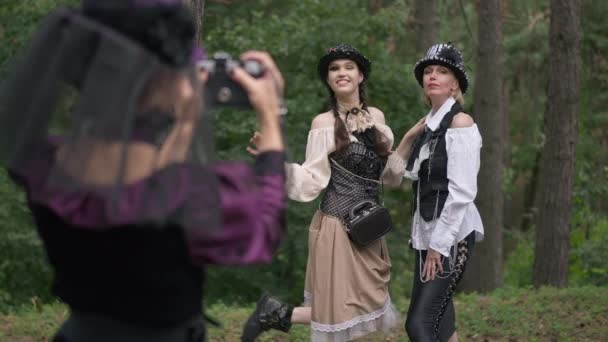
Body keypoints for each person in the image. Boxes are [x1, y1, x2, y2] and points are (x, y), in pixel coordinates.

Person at [0, 1, 288, 341]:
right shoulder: (189, 195)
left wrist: (183, 126)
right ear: (166, 81)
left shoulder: (45, 165)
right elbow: (265, 222)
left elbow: (139, 192)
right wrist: (272, 117)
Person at [242, 44, 404, 342]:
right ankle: (273, 312)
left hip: (369, 229)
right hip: (337, 228)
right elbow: (310, 179)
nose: (341, 72)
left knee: (368, 307)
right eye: (334, 69)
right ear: (328, 80)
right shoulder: (323, 124)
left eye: (348, 67)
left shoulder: (377, 117)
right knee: (340, 313)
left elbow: (389, 175)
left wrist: (410, 146)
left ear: (360, 76)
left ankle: (275, 312)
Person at [389, 42, 484, 341]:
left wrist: (438, 247)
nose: (432, 76)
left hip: (450, 238)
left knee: (419, 325)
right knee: (442, 326)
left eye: (442, 71)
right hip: (425, 236)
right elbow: (391, 178)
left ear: (455, 83)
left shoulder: (460, 123)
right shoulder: (426, 130)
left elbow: (462, 193)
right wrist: (407, 137)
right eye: (428, 71)